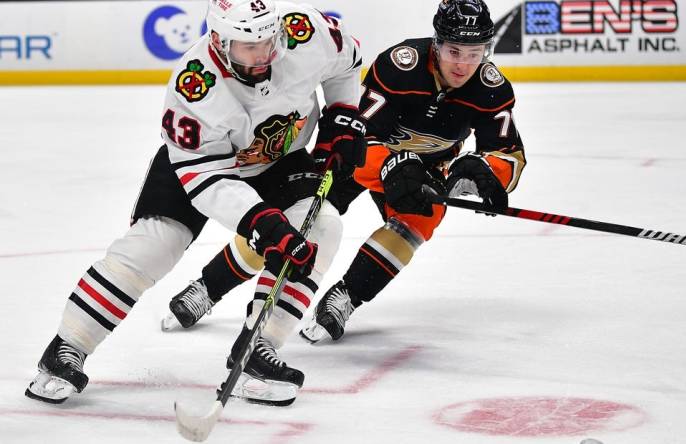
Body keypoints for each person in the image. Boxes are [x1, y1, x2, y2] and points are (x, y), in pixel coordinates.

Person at [25, 0, 365, 406]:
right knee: (154, 245)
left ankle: (260, 348)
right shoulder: (195, 85)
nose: (262, 55)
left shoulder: (304, 30)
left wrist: (343, 115)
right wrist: (260, 221)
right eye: (247, 46)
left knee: (322, 226)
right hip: (205, 167)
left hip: (280, 158)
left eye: (268, 41)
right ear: (219, 41)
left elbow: (348, 63)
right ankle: (67, 347)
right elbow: (206, 178)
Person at [161, 0, 525, 345]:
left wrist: (482, 171)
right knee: (296, 219)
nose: (463, 65)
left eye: (475, 53)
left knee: (422, 217)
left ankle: (346, 297)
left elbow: (509, 155)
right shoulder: (401, 66)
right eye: (453, 52)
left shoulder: (491, 89)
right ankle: (209, 286)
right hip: (364, 159)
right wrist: (391, 163)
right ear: (436, 44)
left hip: (422, 171)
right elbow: (357, 130)